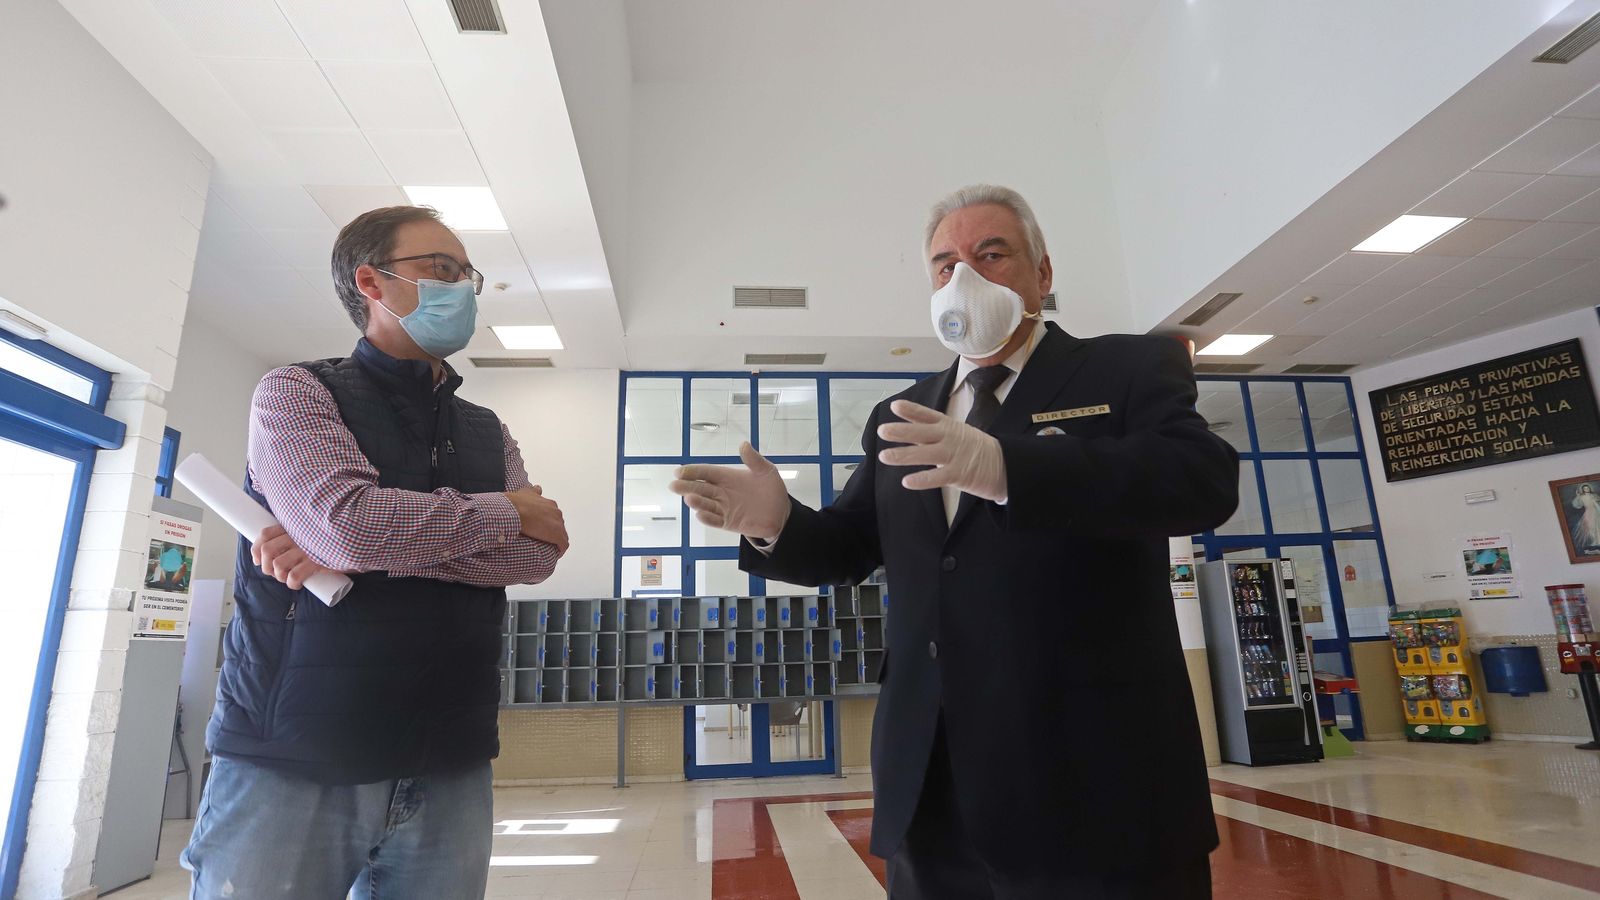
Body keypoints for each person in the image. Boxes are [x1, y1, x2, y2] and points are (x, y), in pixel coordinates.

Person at [671, 185, 1239, 898]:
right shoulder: (902, 411)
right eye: (944, 264)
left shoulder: (1126, 369)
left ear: (1044, 273)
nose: (963, 277)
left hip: (1098, 782)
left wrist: (1008, 468)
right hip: (932, 785)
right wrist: (775, 524)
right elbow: (851, 546)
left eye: (990, 254)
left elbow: (1201, 482)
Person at [181, 206, 569, 899]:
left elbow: (536, 558)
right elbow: (351, 528)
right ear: (372, 282)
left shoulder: (487, 429)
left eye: (468, 276)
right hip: (299, 757)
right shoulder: (298, 393)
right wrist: (506, 512)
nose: (463, 289)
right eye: (441, 270)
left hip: (449, 755)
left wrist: (353, 544)